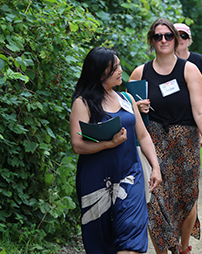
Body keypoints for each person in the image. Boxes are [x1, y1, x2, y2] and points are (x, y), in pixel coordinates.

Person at [130, 18, 202, 254]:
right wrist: (137, 108)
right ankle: (162, 250)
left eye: (168, 36)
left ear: (176, 39)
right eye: (158, 36)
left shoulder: (189, 69)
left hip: (185, 141)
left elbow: (200, 111)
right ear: (151, 41)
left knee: (186, 197)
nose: (164, 40)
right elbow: (127, 112)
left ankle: (182, 245)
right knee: (156, 200)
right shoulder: (140, 73)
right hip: (154, 142)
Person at [69, 47, 162, 254]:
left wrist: (155, 167)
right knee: (100, 243)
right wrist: (108, 144)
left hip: (130, 175)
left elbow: (144, 135)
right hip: (95, 180)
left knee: (131, 238)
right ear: (100, 73)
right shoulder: (82, 103)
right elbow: (77, 145)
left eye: (119, 65)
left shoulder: (127, 100)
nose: (121, 70)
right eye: (115, 68)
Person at [174, 23, 202, 99]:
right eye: (176, 36)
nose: (180, 39)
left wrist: (195, 86)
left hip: (196, 109)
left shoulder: (200, 60)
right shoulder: (166, 62)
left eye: (184, 36)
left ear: (189, 41)